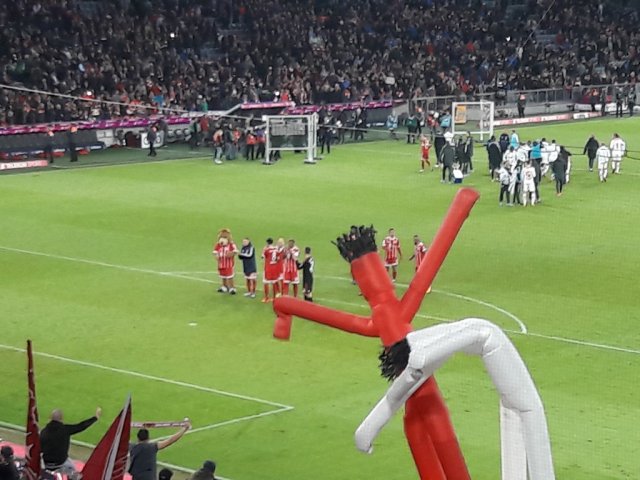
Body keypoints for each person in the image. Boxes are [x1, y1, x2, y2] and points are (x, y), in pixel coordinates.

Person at [40, 407, 102, 479]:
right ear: (61, 419)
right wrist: (95, 418)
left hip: (46, 464)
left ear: (50, 418)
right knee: (75, 473)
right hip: (61, 463)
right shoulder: (65, 429)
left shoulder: (43, 432)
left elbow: (40, 448)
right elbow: (81, 426)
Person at [212, 229, 238, 295]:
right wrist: (216, 256)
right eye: (221, 237)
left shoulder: (231, 244)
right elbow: (215, 252)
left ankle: (232, 288)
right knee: (223, 276)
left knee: (229, 276)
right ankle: (224, 287)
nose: (223, 239)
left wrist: (231, 254)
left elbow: (235, 251)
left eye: (225, 237)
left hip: (229, 264)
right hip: (221, 264)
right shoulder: (218, 245)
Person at [261, 237, 283, 302]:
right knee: (274, 282)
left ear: (267, 243)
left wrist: (263, 250)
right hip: (275, 268)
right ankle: (274, 297)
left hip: (268, 268)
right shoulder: (276, 249)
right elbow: (278, 258)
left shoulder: (266, 250)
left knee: (265, 282)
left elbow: (262, 257)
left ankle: (266, 298)